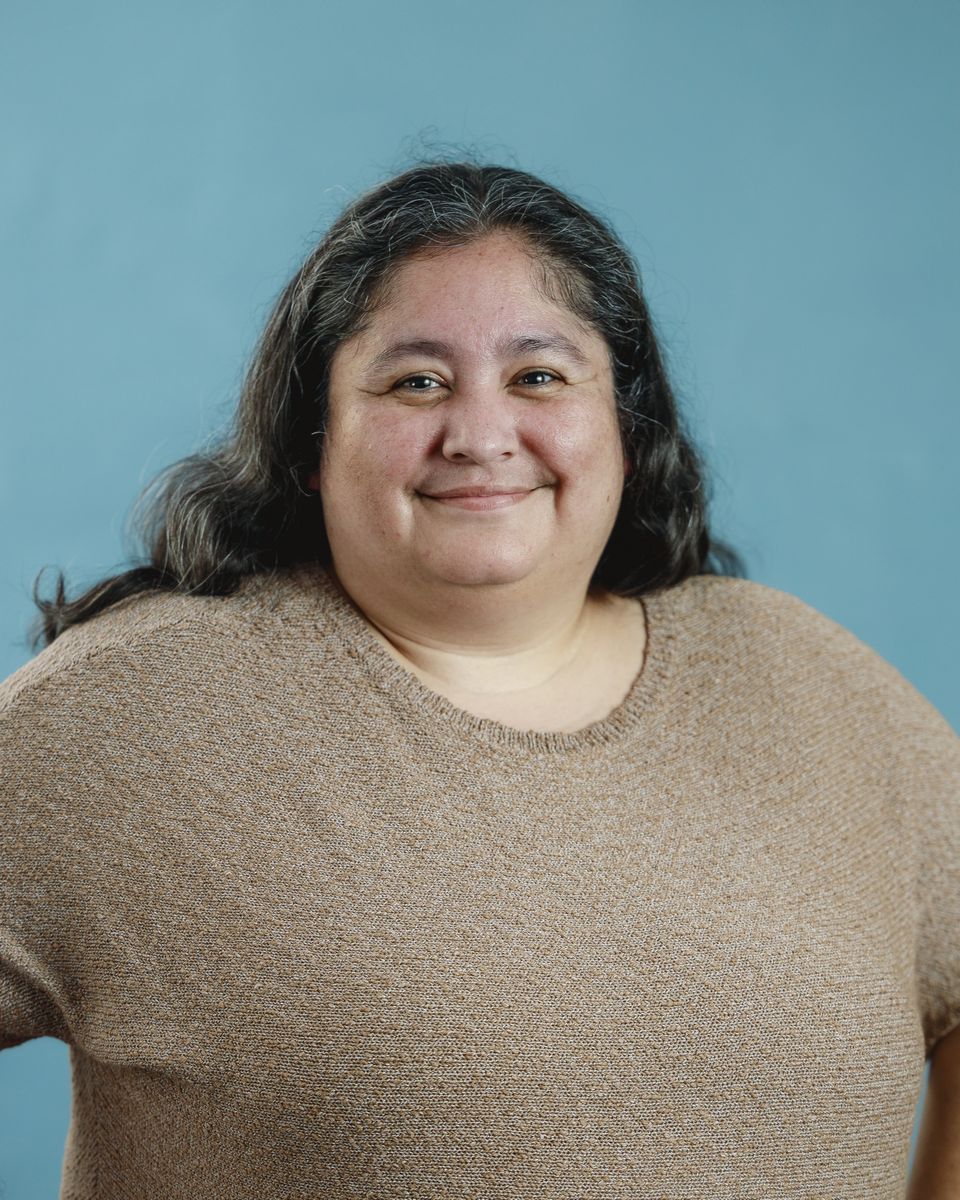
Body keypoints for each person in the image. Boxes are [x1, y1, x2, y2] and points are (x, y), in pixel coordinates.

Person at [1, 159, 957, 1199]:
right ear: (314, 441)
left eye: (539, 377)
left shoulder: (814, 687)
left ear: (627, 433)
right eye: (417, 382)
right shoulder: (136, 715)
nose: (481, 435)